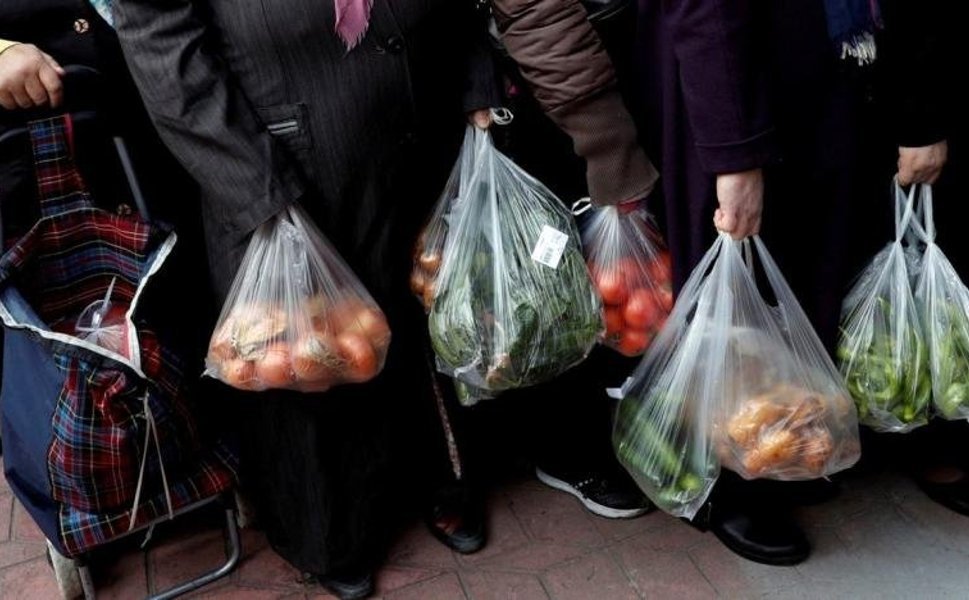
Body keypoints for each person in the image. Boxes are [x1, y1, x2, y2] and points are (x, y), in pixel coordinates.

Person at [113, 2, 500, 598]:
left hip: (415, 119)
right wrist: (257, 189)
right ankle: (331, 532)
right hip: (286, 152)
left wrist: (474, 80)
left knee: (423, 315)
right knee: (309, 358)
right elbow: (164, 49)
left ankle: (438, 479)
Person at [631, 0, 904, 565]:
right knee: (733, 313)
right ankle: (724, 481)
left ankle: (782, 450)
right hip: (735, 102)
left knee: (798, 289)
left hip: (814, 88)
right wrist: (734, 157)